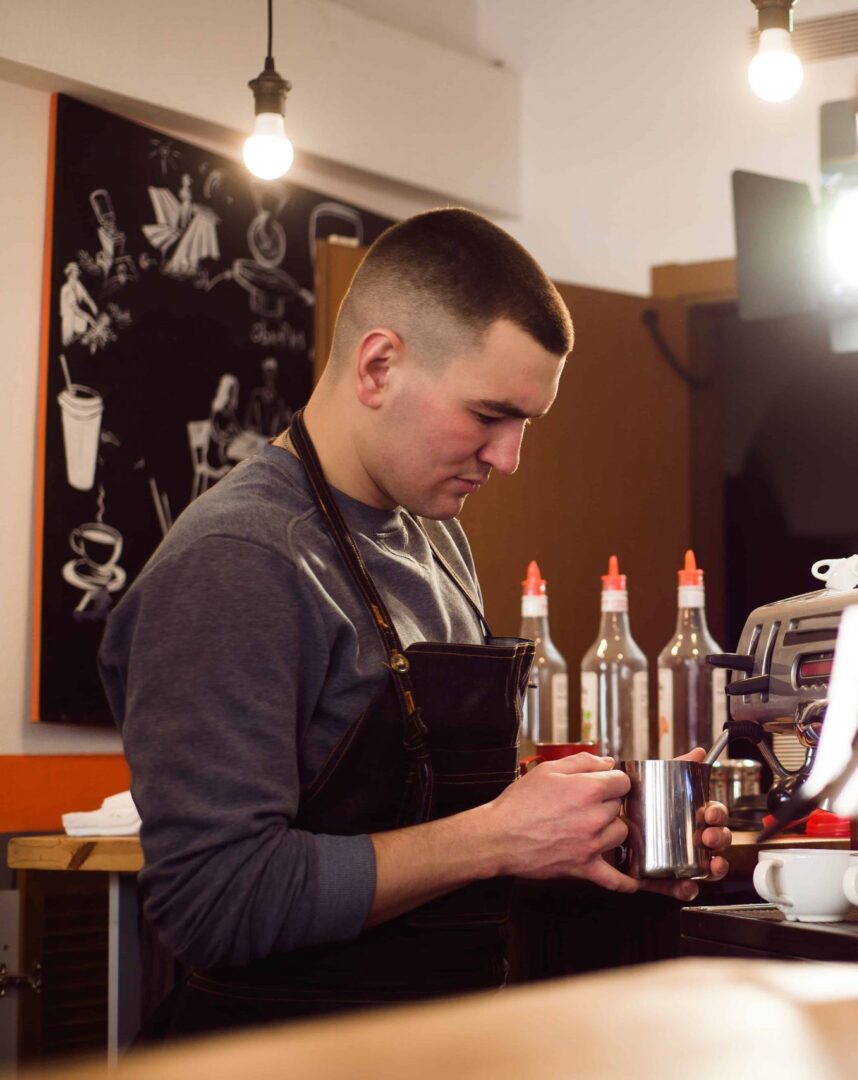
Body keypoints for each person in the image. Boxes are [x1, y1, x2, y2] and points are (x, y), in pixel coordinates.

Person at [99, 207, 731, 1039]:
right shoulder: (238, 561)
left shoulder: (438, 539)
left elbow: (431, 834)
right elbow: (216, 901)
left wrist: (592, 840)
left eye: (525, 426)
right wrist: (496, 839)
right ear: (379, 366)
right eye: (488, 415)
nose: (507, 459)